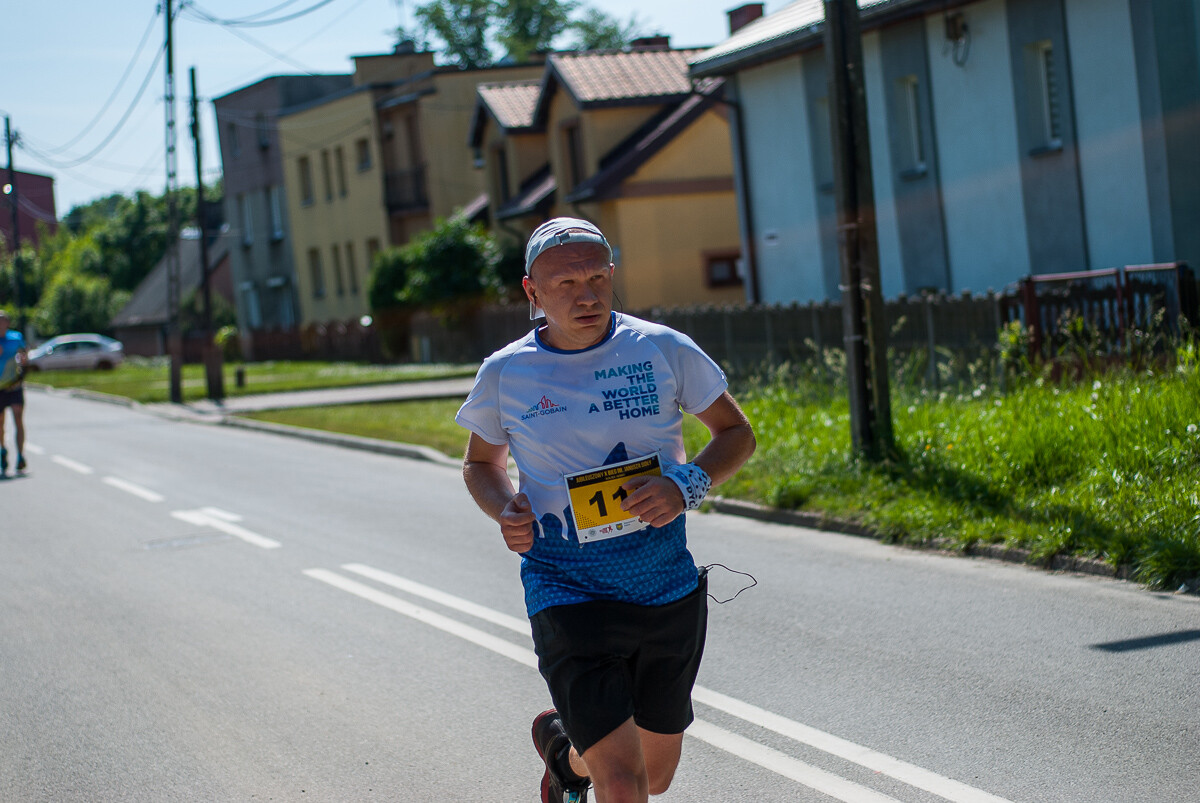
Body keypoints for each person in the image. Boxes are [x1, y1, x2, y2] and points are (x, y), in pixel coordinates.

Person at [456, 217, 756, 803]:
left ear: (612, 275)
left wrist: (686, 485)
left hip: (661, 585)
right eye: (565, 284)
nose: (586, 295)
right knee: (622, 781)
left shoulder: (662, 349)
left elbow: (736, 433)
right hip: (565, 585)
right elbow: (480, 464)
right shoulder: (506, 372)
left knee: (655, 775)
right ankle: (586, 758)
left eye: (596, 277)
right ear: (532, 292)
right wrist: (504, 511)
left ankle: (566, 757)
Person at [0, 310, 29, 475]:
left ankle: (20, 455)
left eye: (2, 321)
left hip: (14, 386)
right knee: (1, 422)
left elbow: (24, 356)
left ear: (7, 323)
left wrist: (24, 362)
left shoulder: (15, 338)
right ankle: (2, 450)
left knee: (18, 417)